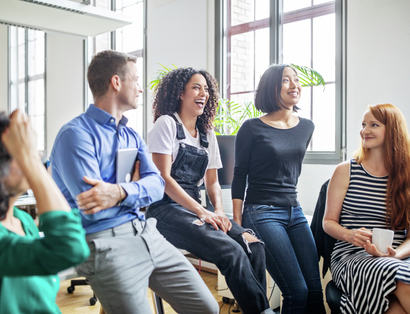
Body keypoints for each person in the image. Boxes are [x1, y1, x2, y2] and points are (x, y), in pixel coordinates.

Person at [50, 51, 218, 314]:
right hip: (105, 242)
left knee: (207, 308)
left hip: (145, 232)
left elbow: (157, 186)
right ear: (116, 82)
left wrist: (118, 191)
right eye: (136, 80)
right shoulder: (75, 135)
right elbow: (95, 208)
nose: (141, 89)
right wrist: (137, 191)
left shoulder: (131, 135)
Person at [146, 67, 274, 314]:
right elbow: (163, 178)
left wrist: (218, 211)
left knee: (254, 245)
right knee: (231, 251)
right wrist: (202, 212)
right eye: (196, 87)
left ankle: (256, 309)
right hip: (165, 210)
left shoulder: (206, 134)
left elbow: (212, 181)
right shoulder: (167, 124)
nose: (203, 93)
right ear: (180, 93)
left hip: (196, 208)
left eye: (206, 89)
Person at [232, 64, 326, 314]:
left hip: (294, 212)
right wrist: (238, 225)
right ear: (271, 88)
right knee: (297, 291)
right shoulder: (251, 128)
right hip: (261, 212)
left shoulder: (307, 127)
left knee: (315, 292)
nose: (294, 85)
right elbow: (239, 175)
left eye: (296, 80)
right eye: (286, 80)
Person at [0, 108, 89, 314]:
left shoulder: (23, 220)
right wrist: (32, 163)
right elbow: (70, 247)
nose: (32, 155)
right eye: (17, 153)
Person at [323, 103, 410, 314]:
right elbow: (328, 222)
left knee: (397, 300)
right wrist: (350, 235)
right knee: (401, 279)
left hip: (397, 255)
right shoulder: (346, 170)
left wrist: (394, 255)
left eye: (374, 125)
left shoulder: (406, 175)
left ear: (392, 130)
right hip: (352, 255)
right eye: (363, 124)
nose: (365, 130)